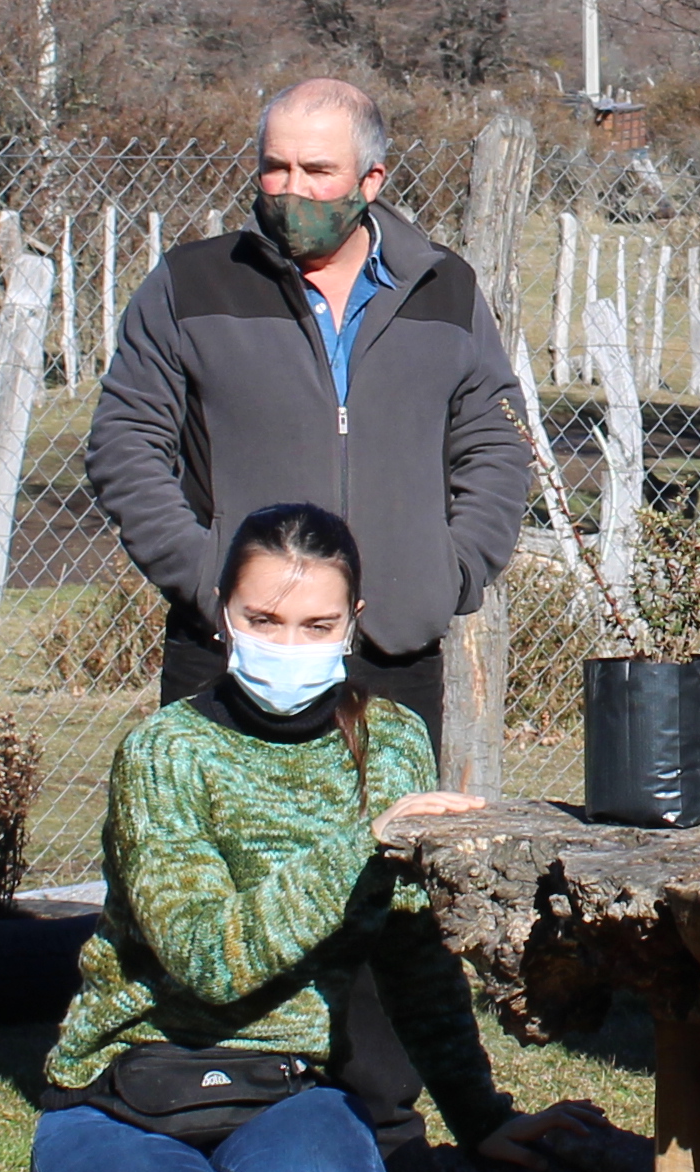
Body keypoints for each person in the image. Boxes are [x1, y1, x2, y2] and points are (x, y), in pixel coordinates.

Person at [32, 501, 509, 1172]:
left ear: (355, 621)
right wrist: (364, 847)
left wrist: (479, 1114)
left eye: (317, 625)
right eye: (263, 620)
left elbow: (414, 951)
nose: (288, 643)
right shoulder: (165, 753)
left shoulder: (393, 743)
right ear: (223, 615)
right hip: (132, 1085)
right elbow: (208, 957)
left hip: (289, 1082)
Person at [87, 75, 536, 728]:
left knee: (381, 831)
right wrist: (206, 575)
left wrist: (450, 573)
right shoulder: (191, 284)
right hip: (230, 649)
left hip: (393, 652)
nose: (292, 188)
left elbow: (495, 439)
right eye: (276, 166)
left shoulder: (445, 288)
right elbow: (124, 441)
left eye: (318, 170)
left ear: (371, 179)